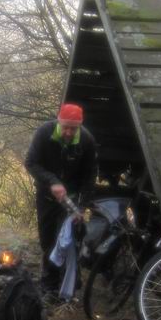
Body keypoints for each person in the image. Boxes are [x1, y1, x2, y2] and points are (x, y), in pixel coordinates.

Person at [25, 103, 98, 297]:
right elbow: (30, 163)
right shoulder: (44, 133)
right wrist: (52, 182)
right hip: (47, 196)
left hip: (71, 200)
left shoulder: (86, 140)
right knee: (48, 239)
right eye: (65, 126)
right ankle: (49, 283)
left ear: (79, 126)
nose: (68, 132)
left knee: (69, 239)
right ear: (59, 121)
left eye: (73, 128)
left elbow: (90, 176)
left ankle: (70, 283)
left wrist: (82, 206)